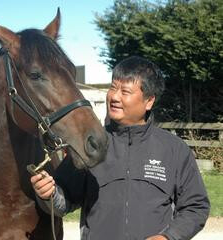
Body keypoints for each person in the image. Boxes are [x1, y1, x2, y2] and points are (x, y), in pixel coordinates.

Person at [30, 56, 210, 240]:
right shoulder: (91, 144)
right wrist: (49, 193)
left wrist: (169, 237)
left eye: (125, 91)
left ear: (149, 101)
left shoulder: (173, 149)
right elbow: (64, 199)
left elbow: (196, 207)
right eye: (113, 88)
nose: (114, 97)